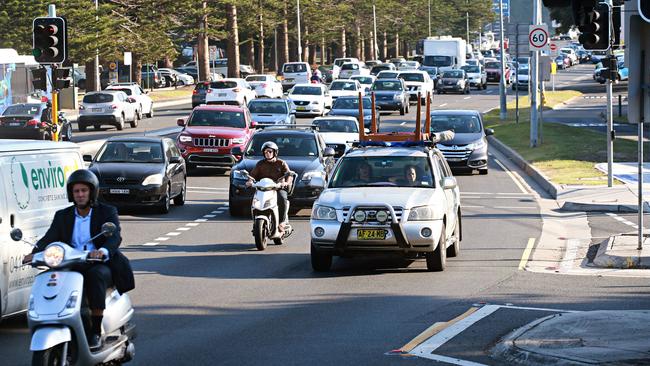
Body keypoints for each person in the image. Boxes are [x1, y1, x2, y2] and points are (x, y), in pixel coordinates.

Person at [23, 169, 135, 350]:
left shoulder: (107, 212)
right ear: (71, 194)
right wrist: (34, 252)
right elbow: (50, 237)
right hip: (70, 263)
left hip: (98, 263)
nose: (80, 195)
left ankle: (96, 331)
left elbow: (114, 237)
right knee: (50, 279)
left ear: (92, 192)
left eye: (84, 190)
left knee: (96, 276)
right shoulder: (63, 215)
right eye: (76, 191)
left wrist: (102, 250)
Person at [246, 142, 293, 233]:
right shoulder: (260, 164)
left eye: (270, 151)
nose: (267, 153)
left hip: (278, 188)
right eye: (265, 152)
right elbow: (252, 175)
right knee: (254, 199)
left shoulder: (281, 163)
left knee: (282, 198)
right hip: (263, 188)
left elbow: (289, 174)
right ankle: (256, 223)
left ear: (275, 152)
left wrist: (286, 183)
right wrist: (249, 182)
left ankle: (282, 222)